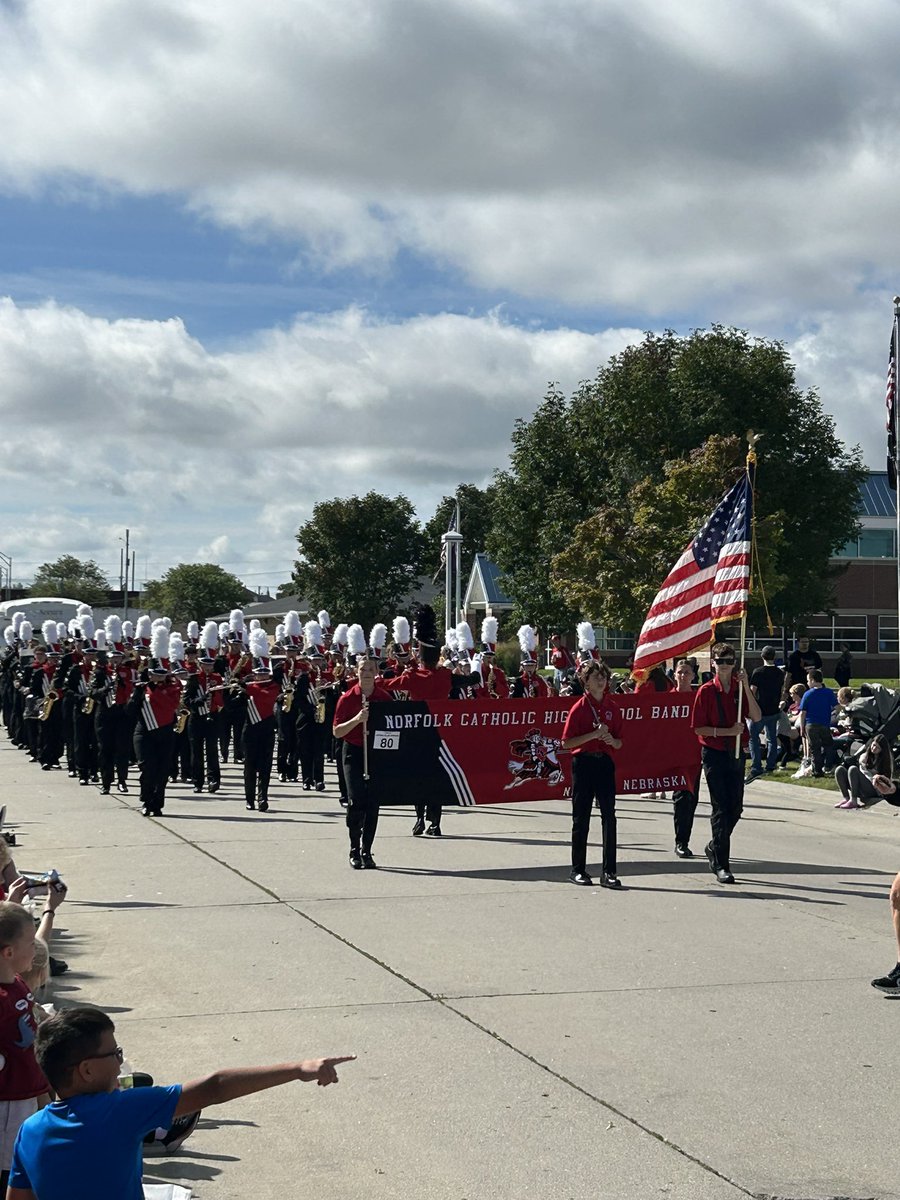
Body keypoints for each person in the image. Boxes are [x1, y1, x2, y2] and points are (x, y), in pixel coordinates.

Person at [7, 1006, 354, 1200]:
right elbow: (215, 1087)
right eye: (115, 1053)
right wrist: (298, 1069)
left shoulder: (30, 1130)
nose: (119, 1061)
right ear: (85, 1070)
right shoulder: (119, 1111)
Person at [691, 642, 761, 884]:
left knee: (736, 808)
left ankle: (714, 845)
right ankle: (722, 864)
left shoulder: (739, 690)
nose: (724, 666)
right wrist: (727, 731)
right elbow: (698, 728)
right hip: (714, 753)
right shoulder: (706, 691)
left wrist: (746, 686)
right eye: (720, 661)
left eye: (729, 661)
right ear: (713, 664)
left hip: (736, 753)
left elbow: (756, 715)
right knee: (721, 808)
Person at [0, 901, 53, 1193]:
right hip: (8, 1103)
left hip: (28, 1093)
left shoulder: (18, 983)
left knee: (28, 1166)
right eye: (30, 942)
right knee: (10, 1172)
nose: (36, 948)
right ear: (9, 952)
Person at [560, 659, 623, 888]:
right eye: (595, 676)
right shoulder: (579, 708)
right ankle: (577, 869)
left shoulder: (613, 707)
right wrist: (593, 735)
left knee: (609, 816)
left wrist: (611, 740)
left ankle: (609, 872)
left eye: (603, 676)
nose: (601, 679)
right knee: (581, 817)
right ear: (585, 682)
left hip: (604, 763)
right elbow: (567, 743)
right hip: (583, 763)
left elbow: (619, 743)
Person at [333, 657, 391, 868]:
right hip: (353, 752)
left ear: (376, 672)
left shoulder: (384, 698)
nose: (366, 672)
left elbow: (393, 730)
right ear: (356, 672)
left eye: (370, 669)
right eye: (362, 669)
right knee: (356, 799)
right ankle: (354, 848)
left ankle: (367, 850)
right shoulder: (347, 698)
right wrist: (357, 719)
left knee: (372, 803)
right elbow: (337, 732)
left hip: (375, 753)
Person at [670, 658, 701, 857]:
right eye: (680, 672)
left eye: (686, 672)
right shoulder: (665, 699)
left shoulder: (698, 698)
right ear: (674, 675)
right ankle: (680, 841)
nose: (683, 676)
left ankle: (684, 838)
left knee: (691, 799)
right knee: (681, 797)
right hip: (673, 757)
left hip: (695, 757)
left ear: (693, 676)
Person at [747, 645, 784, 780]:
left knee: (753, 738)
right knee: (772, 738)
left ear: (762, 656)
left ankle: (756, 765)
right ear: (774, 657)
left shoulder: (758, 672)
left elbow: (752, 691)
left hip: (760, 710)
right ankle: (770, 764)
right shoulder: (780, 673)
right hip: (773, 709)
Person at [835, 734, 894, 810]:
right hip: (863, 785)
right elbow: (864, 773)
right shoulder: (865, 757)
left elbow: (886, 779)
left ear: (882, 749)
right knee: (839, 770)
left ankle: (854, 801)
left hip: (876, 789)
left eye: (877, 747)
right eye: (873, 745)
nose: (874, 748)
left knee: (853, 769)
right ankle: (846, 798)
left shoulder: (886, 760)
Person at [798, 669, 838, 777]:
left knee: (814, 748)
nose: (807, 683)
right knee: (828, 745)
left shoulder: (807, 694)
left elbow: (803, 713)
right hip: (824, 723)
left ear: (812, 680)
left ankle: (817, 770)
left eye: (807, 680)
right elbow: (837, 707)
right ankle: (828, 765)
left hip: (811, 724)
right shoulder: (828, 692)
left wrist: (802, 727)